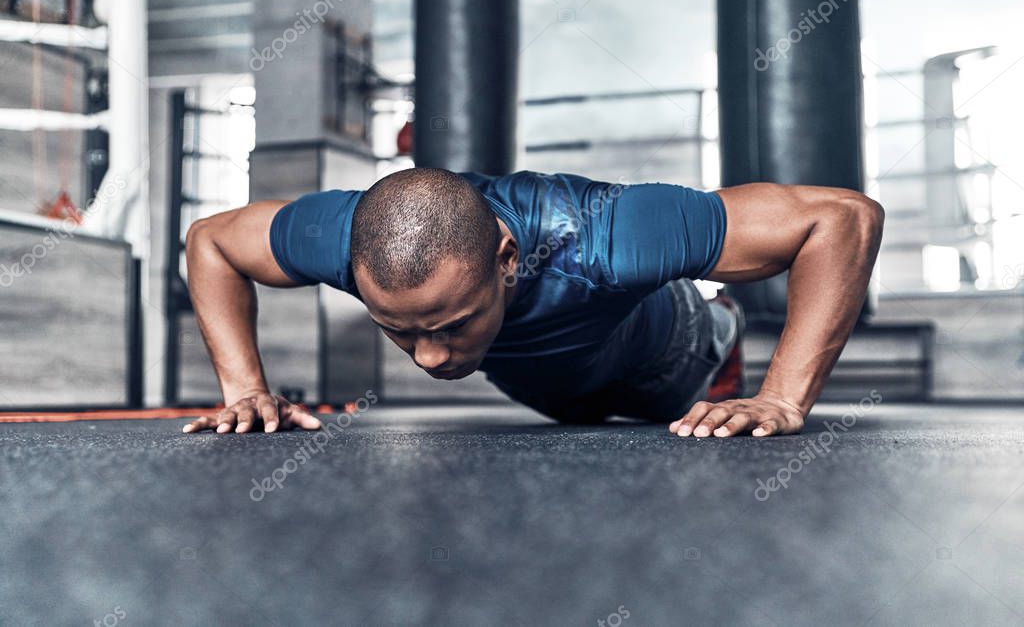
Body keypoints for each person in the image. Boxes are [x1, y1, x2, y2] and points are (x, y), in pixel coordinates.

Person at [181, 167, 883, 438]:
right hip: (555, 394)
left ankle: (726, 319)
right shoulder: (348, 240)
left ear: (508, 259)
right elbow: (210, 239)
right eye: (400, 331)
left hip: (673, 356)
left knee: (701, 348)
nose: (428, 357)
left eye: (450, 324)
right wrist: (245, 388)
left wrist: (784, 397)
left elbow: (844, 217)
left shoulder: (603, 235)